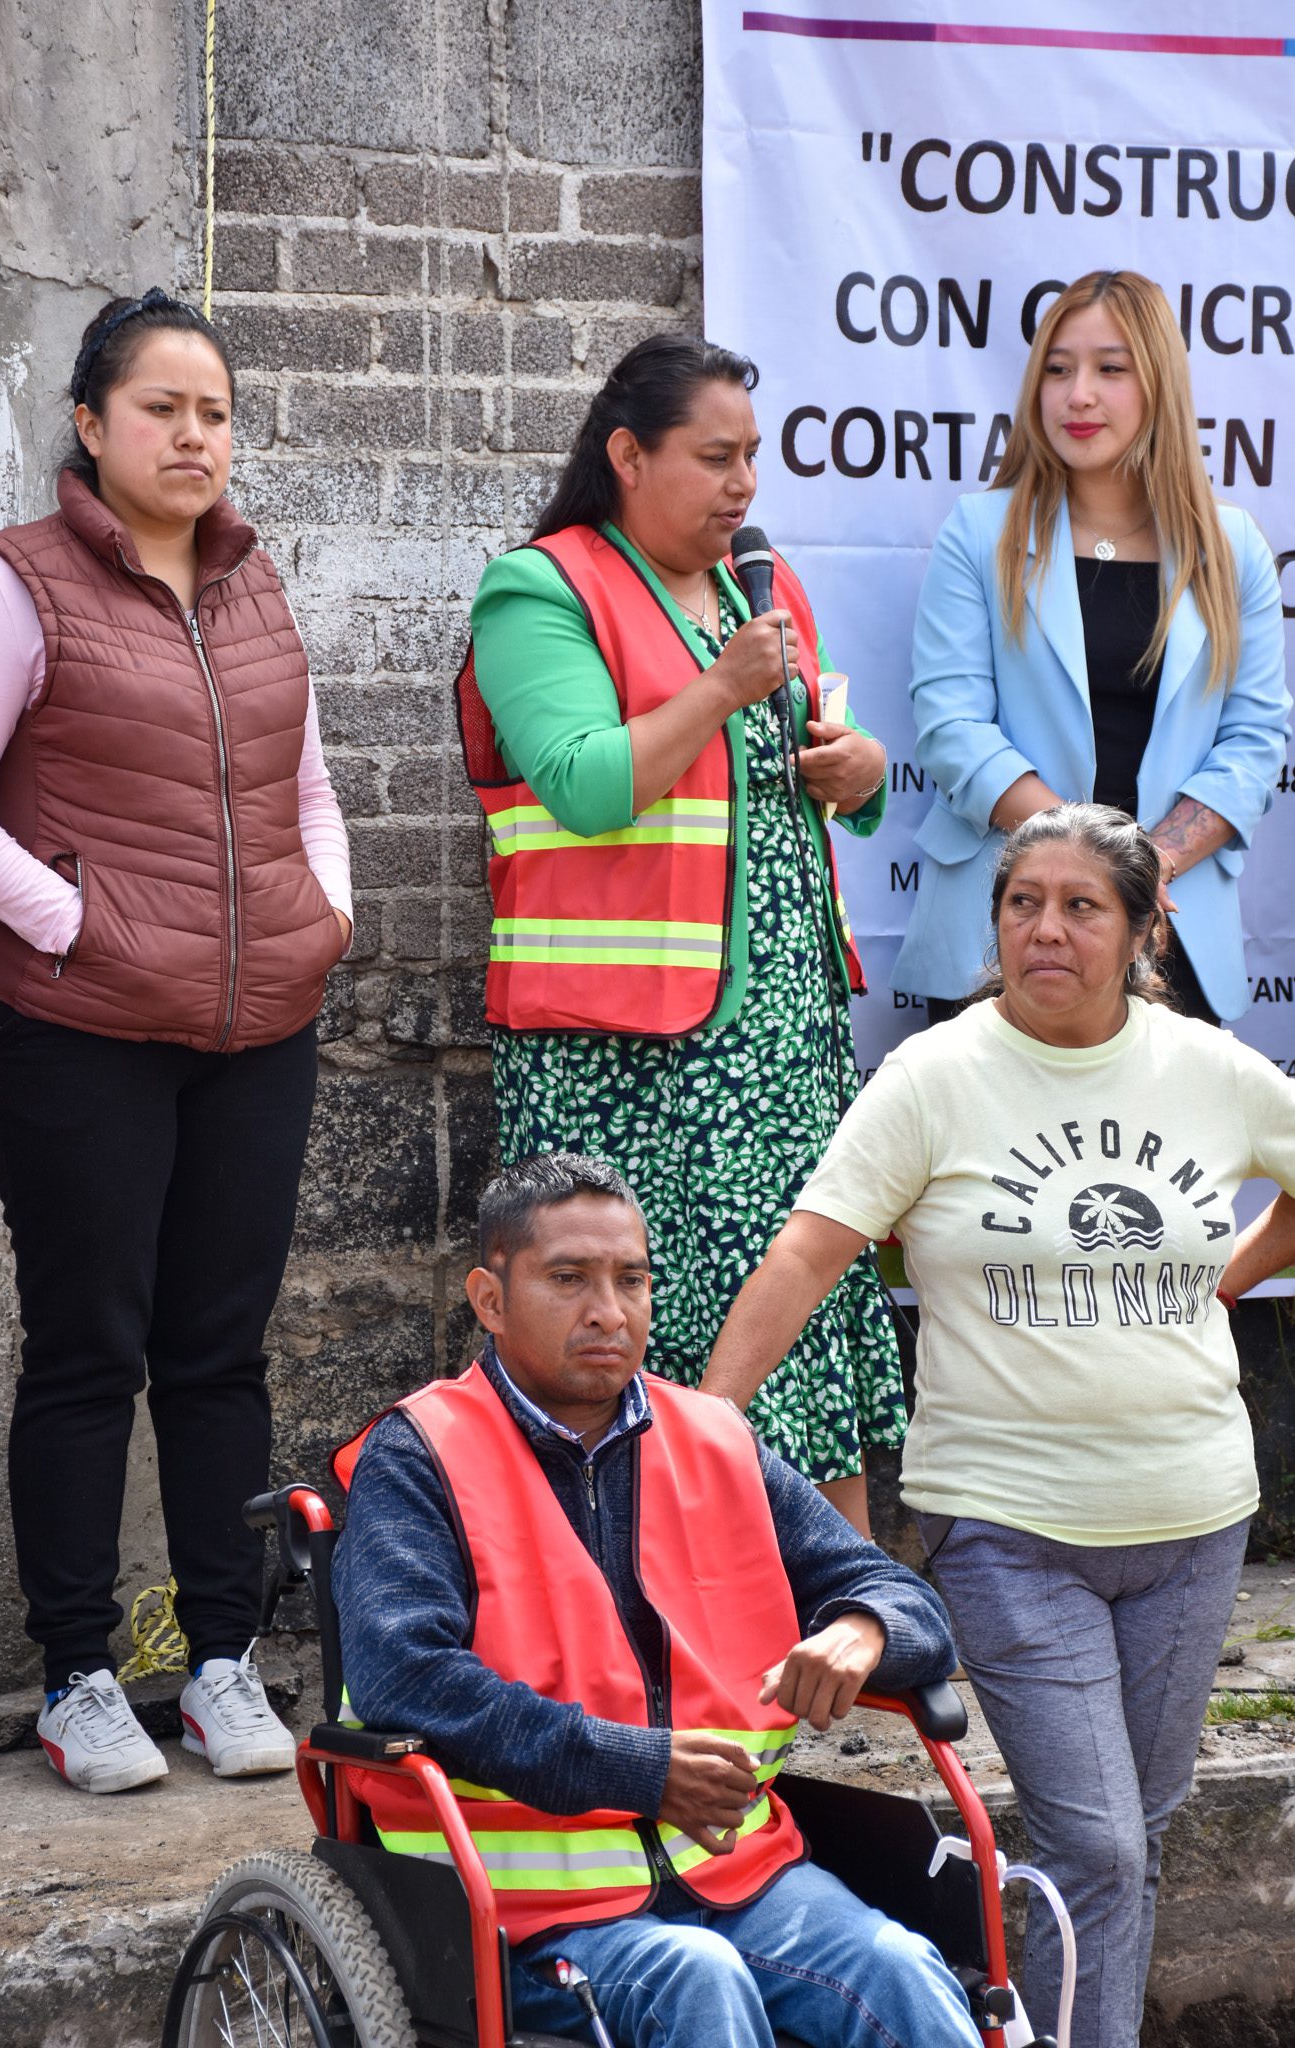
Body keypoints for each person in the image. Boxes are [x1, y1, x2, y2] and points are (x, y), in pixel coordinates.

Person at [704, 803, 1295, 2048]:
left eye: (1083, 906)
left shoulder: (1211, 1068)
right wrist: (706, 1421)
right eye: (1023, 901)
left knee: (1141, 1825)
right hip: (1009, 1525)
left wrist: (1219, 1279)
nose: (1046, 927)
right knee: (1096, 1840)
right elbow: (813, 1251)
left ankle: (1028, 2020)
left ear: (1143, 929)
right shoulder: (937, 1074)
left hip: (1196, 1518)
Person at [0, 289, 352, 1792]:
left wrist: (330, 916)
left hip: (257, 1026)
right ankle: (78, 1675)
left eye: (215, 411)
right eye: (162, 408)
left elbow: (305, 789)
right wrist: (77, 928)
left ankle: (224, 1660)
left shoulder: (253, 584)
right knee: (88, 1350)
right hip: (80, 1032)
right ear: (90, 425)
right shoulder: (15, 583)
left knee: (220, 1352)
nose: (193, 434)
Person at [332, 1152, 981, 2048]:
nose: (608, 1309)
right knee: (696, 1979)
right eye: (568, 1279)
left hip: (745, 1871)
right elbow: (403, 1677)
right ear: (489, 1299)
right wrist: (633, 1767)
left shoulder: (713, 1437)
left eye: (630, 1279)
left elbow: (897, 1594)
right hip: (516, 1903)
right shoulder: (419, 1455)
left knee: (903, 1968)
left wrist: (863, 1631)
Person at [458, 332, 902, 1532]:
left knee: (805, 1305)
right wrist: (718, 689)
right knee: (641, 1329)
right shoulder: (542, 588)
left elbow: (810, 786)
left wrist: (858, 775)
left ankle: (843, 1615)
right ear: (627, 455)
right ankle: (642, 1608)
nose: (743, 485)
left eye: (752, 456)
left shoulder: (768, 588)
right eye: (714, 457)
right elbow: (585, 785)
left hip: (781, 1041)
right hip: (629, 1056)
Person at [892, 268, 1288, 1025]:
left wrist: (1141, 873)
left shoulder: (1231, 547)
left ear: (1158, 385)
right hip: (1001, 937)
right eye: (1057, 368)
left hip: (1171, 933)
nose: (1077, 395)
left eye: (1110, 369)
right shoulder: (979, 534)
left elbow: (1253, 740)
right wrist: (1083, 865)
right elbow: (953, 732)